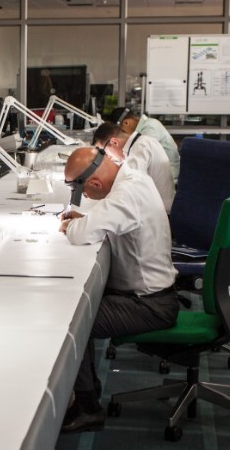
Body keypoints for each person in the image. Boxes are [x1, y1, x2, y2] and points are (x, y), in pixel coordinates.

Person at [58, 146, 179, 433]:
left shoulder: (126, 195)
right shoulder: (133, 179)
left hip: (150, 304)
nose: (85, 197)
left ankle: (87, 408)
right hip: (145, 292)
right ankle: (87, 389)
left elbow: (80, 234)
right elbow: (103, 216)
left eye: (84, 191)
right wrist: (87, 219)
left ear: (96, 183)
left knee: (72, 320)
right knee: (78, 306)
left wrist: (69, 225)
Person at [93, 122, 175, 213]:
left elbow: (127, 190)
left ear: (114, 142)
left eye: (104, 151)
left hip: (161, 213)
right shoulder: (141, 143)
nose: (108, 156)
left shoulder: (141, 147)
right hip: (155, 209)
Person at [109, 106, 180, 179]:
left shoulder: (150, 126)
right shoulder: (142, 130)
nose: (124, 136)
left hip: (169, 178)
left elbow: (141, 157)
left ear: (126, 123)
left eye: (122, 132)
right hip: (157, 175)